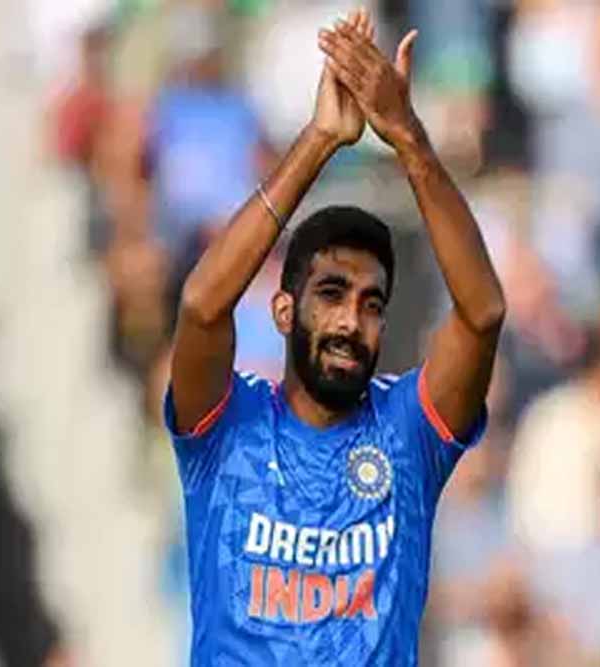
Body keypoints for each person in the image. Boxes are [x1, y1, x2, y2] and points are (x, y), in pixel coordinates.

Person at [164, 9, 505, 666]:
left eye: (371, 304)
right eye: (331, 295)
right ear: (284, 311)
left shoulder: (408, 433)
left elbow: (483, 312)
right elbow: (202, 307)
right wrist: (320, 139)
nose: (351, 321)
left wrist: (406, 136)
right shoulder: (226, 426)